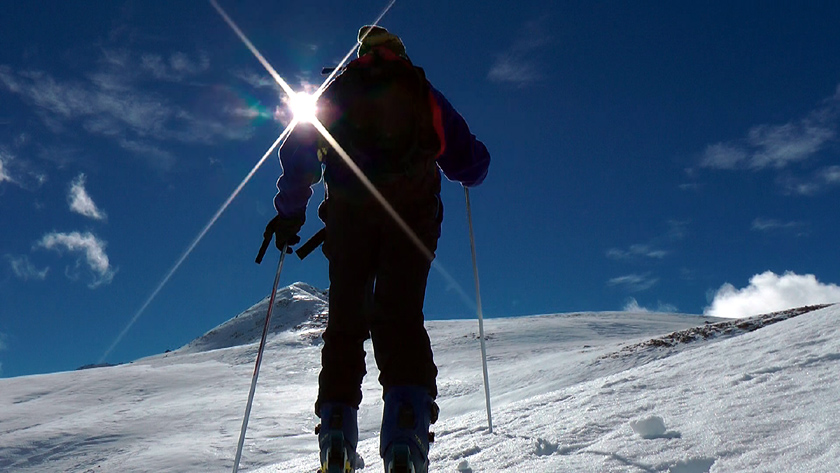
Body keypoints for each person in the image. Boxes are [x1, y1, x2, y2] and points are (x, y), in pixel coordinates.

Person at [260, 25, 490, 473]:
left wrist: (290, 214)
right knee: (401, 321)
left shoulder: (338, 92)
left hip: (349, 224)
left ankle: (335, 435)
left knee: (345, 324)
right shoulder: (422, 93)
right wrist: (472, 165)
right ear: (399, 53)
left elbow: (299, 154)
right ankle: (406, 439)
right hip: (412, 222)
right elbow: (469, 163)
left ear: (362, 54)